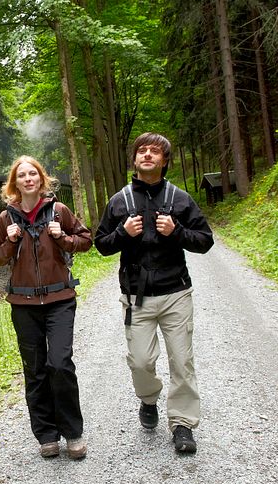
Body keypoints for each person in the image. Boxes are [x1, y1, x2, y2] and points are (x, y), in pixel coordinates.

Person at [94, 132, 214, 453]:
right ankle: (149, 399)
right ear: (134, 160)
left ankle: (183, 424)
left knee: (182, 360)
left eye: (154, 152)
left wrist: (177, 233)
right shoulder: (119, 201)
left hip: (176, 292)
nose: (147, 155)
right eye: (142, 151)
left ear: (164, 160)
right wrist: (122, 233)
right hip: (136, 296)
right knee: (141, 361)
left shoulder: (180, 199)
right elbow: (101, 244)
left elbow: (205, 240)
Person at [0, 155, 92, 459]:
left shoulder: (59, 210)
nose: (27, 178)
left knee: (59, 364)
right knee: (34, 370)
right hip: (23, 304)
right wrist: (9, 242)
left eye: (32, 173)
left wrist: (62, 237)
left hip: (60, 299)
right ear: (14, 183)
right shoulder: (5, 219)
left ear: (41, 178)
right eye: (21, 175)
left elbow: (85, 240)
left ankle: (73, 433)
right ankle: (46, 434)